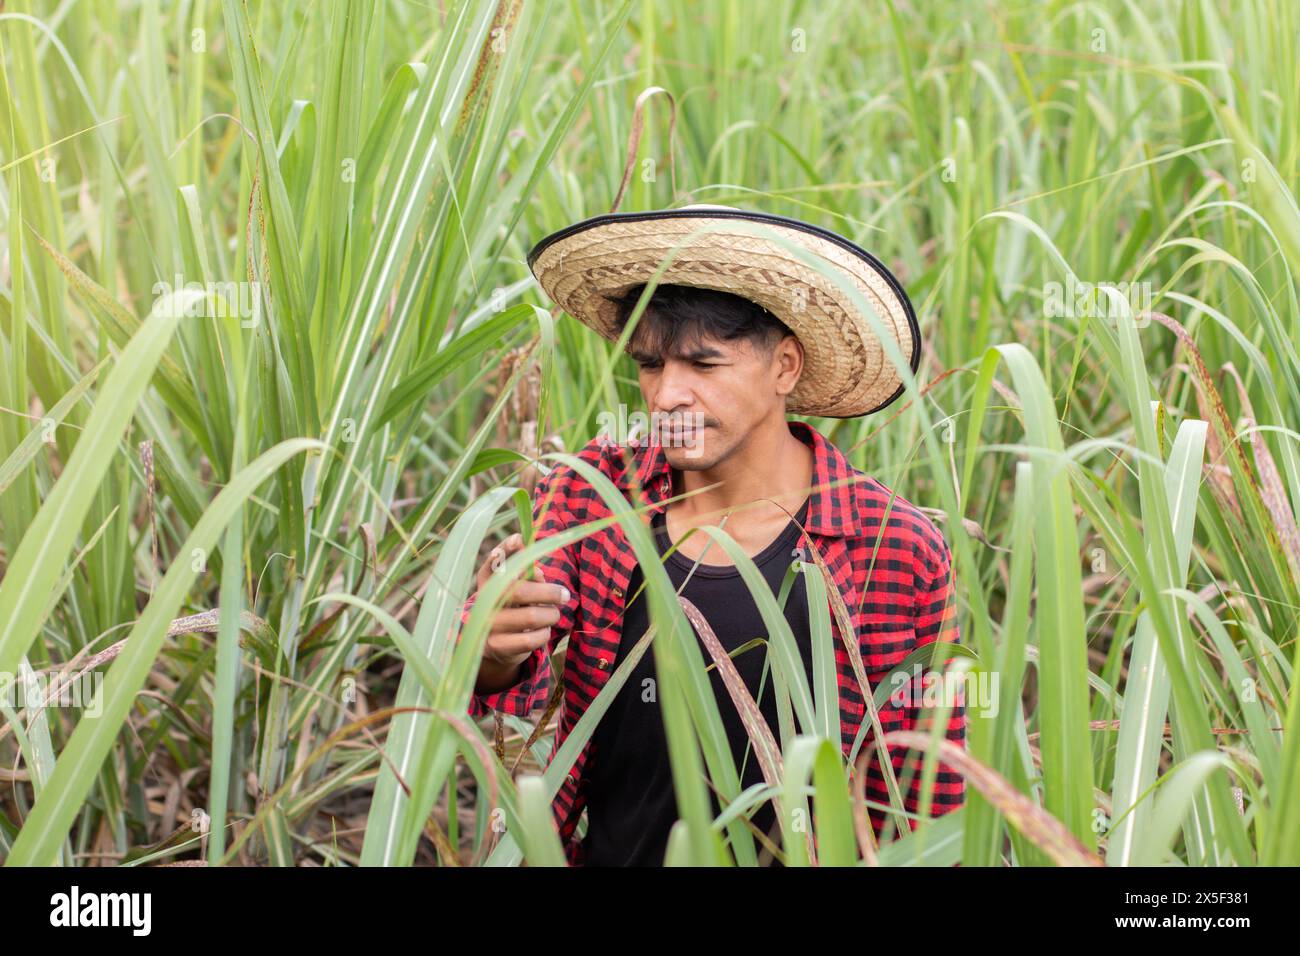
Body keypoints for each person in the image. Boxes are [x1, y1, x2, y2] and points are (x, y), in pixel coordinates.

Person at [462, 204, 965, 865]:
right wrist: (492, 645)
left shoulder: (890, 546)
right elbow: (497, 676)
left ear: (785, 366)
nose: (667, 394)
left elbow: (936, 783)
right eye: (649, 365)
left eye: (703, 365)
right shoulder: (598, 494)